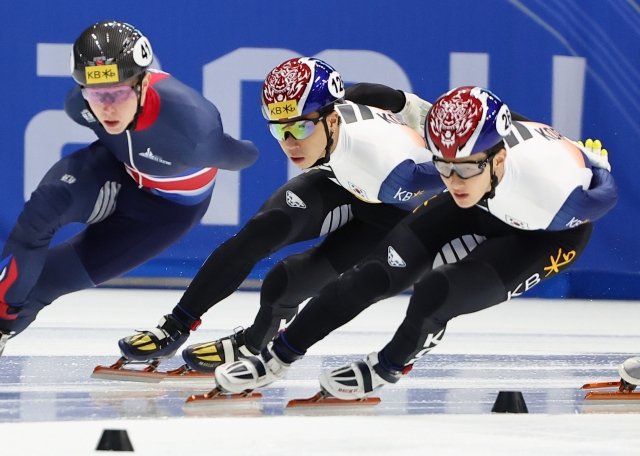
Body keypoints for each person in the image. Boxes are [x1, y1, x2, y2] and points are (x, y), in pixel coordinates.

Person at [212, 85, 618, 399]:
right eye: (443, 166)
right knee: (373, 273)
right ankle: (278, 356)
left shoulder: (560, 195)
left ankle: (388, 365)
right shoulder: (461, 163)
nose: (453, 181)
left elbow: (606, 195)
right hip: (482, 204)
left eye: (465, 169)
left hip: (545, 233)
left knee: (436, 292)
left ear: (497, 159)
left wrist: (597, 166)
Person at [115, 57, 447, 373]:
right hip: (341, 179)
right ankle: (174, 327)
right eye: (279, 130)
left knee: (287, 283)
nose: (290, 142)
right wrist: (411, 106)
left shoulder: (394, 172)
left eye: (300, 129)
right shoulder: (340, 103)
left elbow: (459, 176)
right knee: (259, 233)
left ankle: (253, 344)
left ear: (332, 120)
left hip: (388, 210)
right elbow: (380, 95)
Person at [0, 20, 259, 356]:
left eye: (117, 93)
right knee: (42, 211)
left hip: (164, 214)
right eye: (95, 94)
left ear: (144, 82)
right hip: (116, 171)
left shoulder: (193, 131)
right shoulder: (79, 106)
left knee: (46, 282)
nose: (106, 106)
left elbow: (244, 155)